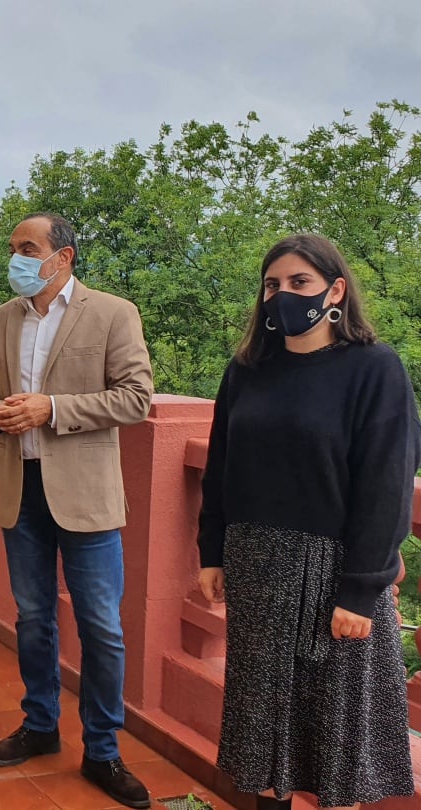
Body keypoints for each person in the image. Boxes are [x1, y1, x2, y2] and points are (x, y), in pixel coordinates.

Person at [197, 234, 420, 810]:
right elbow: (221, 466)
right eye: (273, 285)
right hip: (255, 566)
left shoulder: (375, 369)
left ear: (336, 290)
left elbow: (386, 486)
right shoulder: (246, 370)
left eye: (299, 283)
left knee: (335, 731)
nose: (283, 295)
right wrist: (211, 551)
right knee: (263, 725)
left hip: (335, 574)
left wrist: (361, 590)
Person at [0, 212, 154, 808]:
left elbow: (135, 398)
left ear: (63, 257)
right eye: (14, 247)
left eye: (29, 247)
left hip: (87, 500)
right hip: (20, 494)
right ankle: (40, 725)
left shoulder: (111, 313)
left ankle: (102, 750)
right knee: (33, 619)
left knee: (102, 626)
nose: (17, 257)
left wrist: (53, 409)